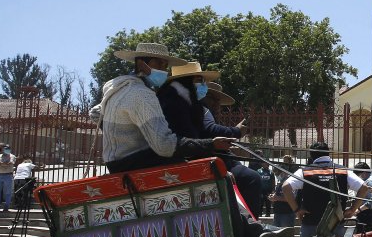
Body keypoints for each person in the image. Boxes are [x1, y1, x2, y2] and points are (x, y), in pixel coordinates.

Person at [96, 43, 233, 173]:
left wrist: (121, 135)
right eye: (159, 63)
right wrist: (211, 144)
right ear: (141, 64)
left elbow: (95, 112)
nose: (164, 70)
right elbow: (164, 146)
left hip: (113, 161)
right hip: (131, 162)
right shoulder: (142, 94)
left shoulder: (118, 88)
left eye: (165, 65)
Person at [157, 62, 262, 217]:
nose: (215, 103)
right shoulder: (177, 104)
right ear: (188, 82)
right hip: (195, 159)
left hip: (203, 154)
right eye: (199, 81)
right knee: (250, 178)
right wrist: (235, 132)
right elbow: (204, 132)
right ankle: (246, 226)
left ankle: (248, 223)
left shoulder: (185, 104)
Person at [270, 155, 298, 228]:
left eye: (277, 173)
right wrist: (273, 197)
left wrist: (277, 198)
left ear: (283, 172)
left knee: (285, 236)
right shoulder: (280, 182)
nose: (276, 175)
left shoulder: (290, 182)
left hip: (287, 214)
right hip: (278, 213)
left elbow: (292, 198)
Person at [0, 143, 16, 212]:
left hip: (8, 175)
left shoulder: (12, 156)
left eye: (8, 149)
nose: (6, 150)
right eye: (5, 149)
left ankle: (6, 207)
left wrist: (0, 164)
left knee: (8, 192)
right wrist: (4, 164)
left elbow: (11, 163)